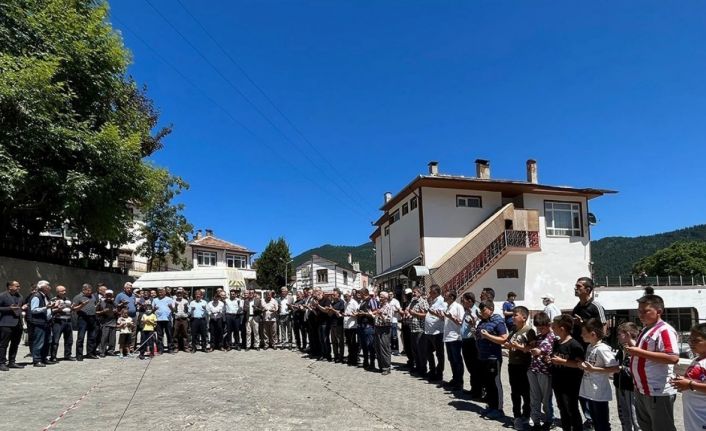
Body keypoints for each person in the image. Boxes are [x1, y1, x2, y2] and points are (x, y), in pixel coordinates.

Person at [626, 293, 679, 431]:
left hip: (657, 390)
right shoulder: (646, 329)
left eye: (645, 311)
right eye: (639, 311)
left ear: (659, 311)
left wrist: (638, 352)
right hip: (643, 389)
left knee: (662, 427)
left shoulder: (664, 330)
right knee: (646, 426)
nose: (641, 314)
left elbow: (672, 357)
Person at [572, 277, 606, 430]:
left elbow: (603, 329)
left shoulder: (595, 307)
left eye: (579, 286)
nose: (576, 288)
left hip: (592, 350)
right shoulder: (577, 307)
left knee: (593, 385)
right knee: (581, 385)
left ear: (588, 289)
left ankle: (598, 419)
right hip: (580, 349)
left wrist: (584, 324)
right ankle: (589, 418)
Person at [578, 318, 619, 431]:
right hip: (589, 390)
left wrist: (593, 369)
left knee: (602, 422)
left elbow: (615, 368)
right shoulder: (590, 347)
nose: (581, 335)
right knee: (595, 421)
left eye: (584, 333)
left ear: (593, 334)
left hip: (599, 392)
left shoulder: (603, 349)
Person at [550, 314, 585, 431]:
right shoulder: (557, 343)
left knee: (571, 409)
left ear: (562, 328)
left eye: (554, 326)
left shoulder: (574, 345)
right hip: (558, 381)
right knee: (562, 408)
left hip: (570, 383)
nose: (552, 328)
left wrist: (563, 361)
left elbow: (580, 365)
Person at [669, 323, 706, 431]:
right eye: (690, 340)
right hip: (694, 416)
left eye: (696, 340)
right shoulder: (697, 360)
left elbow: (692, 384)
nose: (691, 343)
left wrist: (689, 384)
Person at [476, 299, 508, 420]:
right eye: (481, 310)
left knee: (495, 383)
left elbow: (503, 338)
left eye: (484, 310)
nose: (482, 312)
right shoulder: (483, 321)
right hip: (483, 357)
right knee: (488, 383)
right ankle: (491, 405)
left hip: (493, 358)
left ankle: (499, 409)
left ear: (491, 309)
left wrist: (488, 336)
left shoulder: (498, 321)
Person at [505, 305, 535, 430]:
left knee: (526, 392)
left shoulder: (529, 331)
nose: (513, 317)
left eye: (515, 315)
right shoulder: (513, 330)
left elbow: (532, 349)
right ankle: (516, 416)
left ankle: (526, 415)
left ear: (524, 317)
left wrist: (519, 347)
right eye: (512, 315)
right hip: (513, 365)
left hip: (524, 365)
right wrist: (508, 345)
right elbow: (507, 341)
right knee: (515, 392)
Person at [527, 312, 555, 431]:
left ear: (548, 325)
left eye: (542, 328)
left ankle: (549, 420)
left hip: (545, 372)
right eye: (538, 328)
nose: (540, 330)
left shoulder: (554, 338)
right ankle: (536, 420)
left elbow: (552, 353)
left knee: (546, 399)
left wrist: (541, 352)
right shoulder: (538, 338)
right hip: (534, 369)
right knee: (534, 397)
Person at [613, 322, 642, 431]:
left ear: (627, 334)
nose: (617, 336)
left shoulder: (637, 349)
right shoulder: (622, 349)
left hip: (631, 388)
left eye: (620, 334)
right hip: (620, 386)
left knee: (634, 417)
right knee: (624, 416)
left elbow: (637, 369)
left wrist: (621, 369)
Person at [424, 285, 448, 382]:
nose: (429, 294)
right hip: (429, 331)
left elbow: (443, 316)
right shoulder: (433, 301)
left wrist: (435, 314)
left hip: (438, 332)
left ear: (436, 292)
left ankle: (439, 373)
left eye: (431, 292)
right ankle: (432, 370)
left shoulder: (441, 301)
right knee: (429, 352)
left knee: (439, 354)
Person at [30, 280, 56, 367]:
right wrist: (46, 307)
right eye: (48, 286)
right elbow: (34, 310)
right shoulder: (36, 296)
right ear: (42, 287)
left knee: (47, 341)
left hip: (47, 322)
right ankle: (37, 360)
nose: (49, 287)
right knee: (39, 342)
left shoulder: (46, 296)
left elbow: (47, 307)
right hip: (39, 323)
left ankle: (44, 358)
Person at [460, 291, 481, 398]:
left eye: (463, 300)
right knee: (470, 366)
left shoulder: (475, 311)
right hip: (465, 341)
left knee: (474, 367)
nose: (462, 302)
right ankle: (474, 388)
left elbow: (476, 326)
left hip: (472, 342)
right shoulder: (466, 311)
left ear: (469, 301)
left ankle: (478, 391)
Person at [442, 290, 465, 391]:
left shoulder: (458, 307)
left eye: (446, 295)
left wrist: (451, 318)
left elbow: (461, 322)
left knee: (457, 360)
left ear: (451, 297)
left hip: (455, 337)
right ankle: (454, 378)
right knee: (451, 359)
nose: (444, 296)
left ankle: (459, 381)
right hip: (448, 337)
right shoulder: (448, 306)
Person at [0, 281, 25, 371]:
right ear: (10, 287)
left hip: (18, 324)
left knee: (15, 344)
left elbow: (22, 305)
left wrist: (25, 306)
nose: (19, 287)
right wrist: (9, 308)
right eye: (17, 286)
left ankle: (12, 362)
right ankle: (1, 363)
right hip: (5, 323)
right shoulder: (3, 296)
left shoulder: (20, 296)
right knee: (3, 344)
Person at [73, 283, 98, 360]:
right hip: (83, 318)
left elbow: (95, 304)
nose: (90, 292)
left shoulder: (93, 296)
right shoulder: (78, 297)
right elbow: (74, 309)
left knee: (92, 337)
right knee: (81, 337)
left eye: (91, 290)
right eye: (88, 290)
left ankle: (90, 353)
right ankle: (79, 355)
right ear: (83, 290)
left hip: (92, 318)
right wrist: (82, 305)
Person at [50, 285, 75, 362]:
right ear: (58, 292)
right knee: (55, 340)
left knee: (69, 339)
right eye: (62, 291)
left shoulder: (67, 299)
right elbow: (51, 310)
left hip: (68, 321)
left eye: (65, 290)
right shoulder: (54, 300)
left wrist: (72, 308)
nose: (65, 292)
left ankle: (68, 355)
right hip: (58, 321)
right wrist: (58, 309)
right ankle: (53, 356)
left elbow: (69, 309)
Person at [407, 287, 429, 377]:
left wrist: (415, 314)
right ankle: (418, 367)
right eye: (413, 292)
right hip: (412, 328)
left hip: (420, 329)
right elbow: (408, 310)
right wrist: (407, 314)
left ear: (420, 293)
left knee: (421, 350)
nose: (413, 294)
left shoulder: (423, 302)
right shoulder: (412, 301)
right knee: (415, 350)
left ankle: (423, 369)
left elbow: (426, 315)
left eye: (415, 292)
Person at [371, 291, 394, 375]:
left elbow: (389, 321)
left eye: (381, 297)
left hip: (385, 329)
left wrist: (381, 316)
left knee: (384, 348)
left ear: (386, 298)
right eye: (379, 297)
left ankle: (386, 367)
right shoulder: (380, 306)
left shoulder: (389, 306)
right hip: (377, 328)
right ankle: (381, 366)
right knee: (378, 348)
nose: (380, 298)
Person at [356, 288, 377, 369]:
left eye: (360, 293)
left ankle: (372, 363)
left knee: (370, 345)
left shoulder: (371, 300)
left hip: (368, 326)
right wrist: (358, 313)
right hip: (361, 325)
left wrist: (364, 313)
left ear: (364, 293)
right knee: (364, 345)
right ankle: (366, 362)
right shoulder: (363, 301)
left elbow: (375, 311)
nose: (359, 295)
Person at [115, 282, 137, 351]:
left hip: (133, 316)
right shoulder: (120, 295)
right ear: (124, 288)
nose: (129, 289)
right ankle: (123, 349)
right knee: (124, 332)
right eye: (128, 288)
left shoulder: (133, 295)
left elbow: (135, 305)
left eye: (131, 288)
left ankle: (131, 348)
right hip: (124, 317)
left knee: (133, 333)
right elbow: (116, 305)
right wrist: (122, 304)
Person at [152, 288, 175, 354]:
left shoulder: (169, 299)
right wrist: (154, 309)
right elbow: (152, 310)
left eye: (162, 292)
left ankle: (170, 349)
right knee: (160, 335)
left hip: (167, 320)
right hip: (158, 320)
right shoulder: (155, 300)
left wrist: (171, 307)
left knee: (169, 335)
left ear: (165, 292)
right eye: (159, 292)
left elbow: (174, 311)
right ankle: (160, 349)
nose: (160, 293)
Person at [96, 289, 118, 357]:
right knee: (104, 338)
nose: (109, 297)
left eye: (110, 296)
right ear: (105, 295)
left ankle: (111, 351)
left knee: (112, 339)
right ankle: (102, 351)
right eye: (107, 295)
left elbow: (118, 313)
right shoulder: (101, 303)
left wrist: (116, 312)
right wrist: (103, 311)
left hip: (113, 323)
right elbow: (96, 312)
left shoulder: (114, 303)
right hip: (105, 323)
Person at [342, 290, 359, 366]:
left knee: (353, 344)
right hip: (346, 325)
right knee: (348, 343)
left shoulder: (354, 303)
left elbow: (358, 314)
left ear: (350, 296)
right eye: (344, 297)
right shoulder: (345, 303)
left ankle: (354, 359)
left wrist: (350, 315)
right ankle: (350, 358)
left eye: (346, 297)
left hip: (353, 326)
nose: (345, 298)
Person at [329, 288, 346, 362]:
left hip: (339, 324)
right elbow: (330, 314)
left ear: (338, 295)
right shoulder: (332, 303)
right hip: (332, 324)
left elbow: (341, 313)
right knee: (333, 341)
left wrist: (333, 310)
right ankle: (336, 356)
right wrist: (329, 310)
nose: (332, 295)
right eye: (332, 294)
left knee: (340, 341)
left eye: (334, 294)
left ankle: (341, 356)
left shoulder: (341, 302)